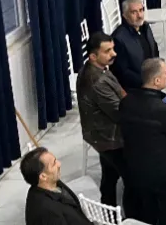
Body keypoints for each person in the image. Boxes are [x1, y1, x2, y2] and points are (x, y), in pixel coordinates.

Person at [119, 58, 166, 224]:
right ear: (156, 80)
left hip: (134, 169)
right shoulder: (164, 110)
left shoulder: (126, 102)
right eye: (165, 73)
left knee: (146, 213)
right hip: (162, 175)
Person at [75, 32, 124, 207]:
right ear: (93, 56)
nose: (114, 54)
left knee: (110, 174)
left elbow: (119, 92)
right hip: (109, 137)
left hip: (99, 133)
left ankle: (108, 205)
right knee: (132, 176)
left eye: (113, 49)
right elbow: (120, 113)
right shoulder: (97, 82)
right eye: (107, 51)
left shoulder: (95, 68)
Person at [21, 147, 93, 225]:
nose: (59, 164)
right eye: (54, 164)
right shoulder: (48, 212)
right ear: (43, 176)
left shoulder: (52, 182)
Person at [110, 0, 160, 91]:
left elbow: (154, 48)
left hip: (152, 81)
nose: (139, 15)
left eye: (141, 10)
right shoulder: (118, 38)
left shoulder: (145, 27)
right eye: (134, 12)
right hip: (135, 89)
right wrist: (146, 82)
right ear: (125, 16)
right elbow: (122, 72)